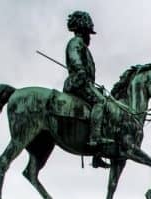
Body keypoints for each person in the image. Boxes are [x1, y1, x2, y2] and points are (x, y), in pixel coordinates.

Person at [62, 11, 112, 169]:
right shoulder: (75, 42)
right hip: (78, 82)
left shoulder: (82, 45)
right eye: (88, 33)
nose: (90, 36)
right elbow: (74, 57)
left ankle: (97, 155)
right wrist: (80, 70)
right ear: (83, 31)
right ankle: (94, 138)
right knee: (101, 102)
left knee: (105, 103)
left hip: (85, 83)